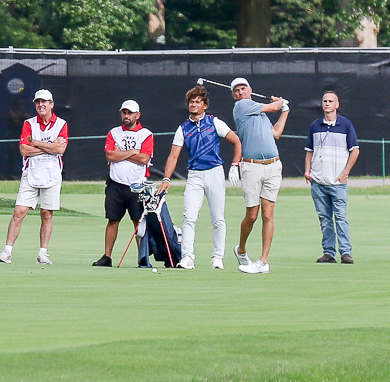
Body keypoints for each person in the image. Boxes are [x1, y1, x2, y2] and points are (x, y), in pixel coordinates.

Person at [156, 84, 241, 270]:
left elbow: (236, 141)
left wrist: (235, 165)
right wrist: (166, 179)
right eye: (191, 102)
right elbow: (173, 156)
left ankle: (218, 257)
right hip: (194, 175)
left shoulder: (214, 122)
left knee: (218, 218)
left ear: (205, 105)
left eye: (198, 102)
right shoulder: (183, 128)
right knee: (189, 217)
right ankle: (187, 257)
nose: (194, 105)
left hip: (215, 172)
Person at [0, 89, 68, 264]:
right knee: (19, 212)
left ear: (51, 104)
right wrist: (50, 145)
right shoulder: (28, 123)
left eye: (44, 102)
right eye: (38, 102)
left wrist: (35, 143)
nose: (40, 105)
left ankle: (43, 253)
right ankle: (7, 251)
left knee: (47, 213)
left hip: (52, 174)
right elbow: (24, 150)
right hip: (31, 172)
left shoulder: (61, 124)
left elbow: (60, 149)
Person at [230, 78, 288, 274]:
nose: (240, 92)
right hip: (252, 166)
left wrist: (285, 110)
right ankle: (241, 249)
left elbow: (276, 133)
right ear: (234, 96)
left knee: (268, 215)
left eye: (243, 89)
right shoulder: (241, 107)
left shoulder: (260, 114)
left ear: (250, 90)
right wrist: (280, 103)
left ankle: (263, 262)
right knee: (252, 215)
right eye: (237, 90)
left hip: (273, 165)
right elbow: (273, 107)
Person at [93, 100, 154, 267]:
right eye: (124, 113)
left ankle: (143, 258)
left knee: (138, 221)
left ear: (137, 115)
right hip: (116, 184)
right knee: (113, 220)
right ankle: (107, 257)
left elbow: (144, 158)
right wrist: (133, 152)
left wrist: (122, 154)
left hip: (137, 186)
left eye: (130, 113)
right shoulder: (114, 133)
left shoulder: (146, 134)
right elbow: (110, 155)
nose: (126, 116)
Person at [304, 90, 359, 264]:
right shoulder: (315, 126)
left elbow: (355, 150)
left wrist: (345, 173)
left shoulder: (346, 125)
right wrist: (307, 171)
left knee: (340, 217)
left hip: (337, 182)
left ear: (337, 105)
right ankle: (328, 253)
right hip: (318, 182)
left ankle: (345, 252)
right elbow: (309, 151)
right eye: (324, 101)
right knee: (325, 219)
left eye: (330, 101)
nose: (327, 103)